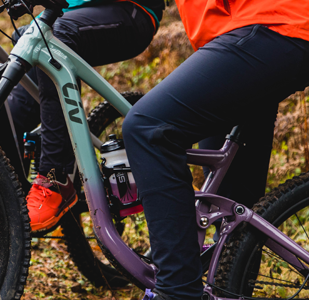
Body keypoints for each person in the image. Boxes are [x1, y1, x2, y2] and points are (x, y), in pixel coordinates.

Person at [121, 1, 309, 298]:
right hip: (250, 31)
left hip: (274, 24)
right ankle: (231, 290)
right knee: (230, 212)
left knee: (149, 129)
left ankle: (177, 292)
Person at [0, 0, 166, 268]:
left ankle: (56, 180)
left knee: (53, 37)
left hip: (131, 10)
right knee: (11, 113)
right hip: (61, 16)